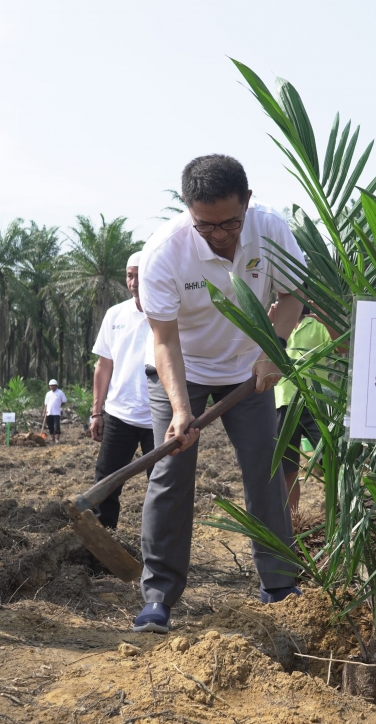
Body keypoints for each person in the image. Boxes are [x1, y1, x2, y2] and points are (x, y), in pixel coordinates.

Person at [134, 154, 305, 633]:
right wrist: (181, 410)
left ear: (247, 202)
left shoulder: (271, 229)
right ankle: (158, 598)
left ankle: (279, 585)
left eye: (229, 223)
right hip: (180, 370)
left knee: (265, 470)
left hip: (250, 369)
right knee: (170, 474)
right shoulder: (164, 252)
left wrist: (274, 348)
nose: (220, 235)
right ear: (189, 210)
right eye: (205, 226)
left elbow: (292, 296)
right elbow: (164, 339)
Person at [88, 251, 154, 529]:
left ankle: (159, 551)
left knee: (163, 487)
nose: (134, 281)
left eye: (141, 275)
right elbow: (104, 366)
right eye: (130, 275)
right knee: (106, 483)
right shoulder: (115, 315)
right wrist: (96, 412)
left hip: (159, 418)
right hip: (118, 415)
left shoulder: (170, 312)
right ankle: (102, 547)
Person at [272, 302, 331, 521]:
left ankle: (334, 515)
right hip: (283, 403)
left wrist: (323, 314)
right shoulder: (275, 329)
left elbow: (342, 344)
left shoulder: (316, 325)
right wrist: (268, 320)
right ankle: (291, 522)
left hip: (314, 402)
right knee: (287, 468)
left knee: (330, 461)